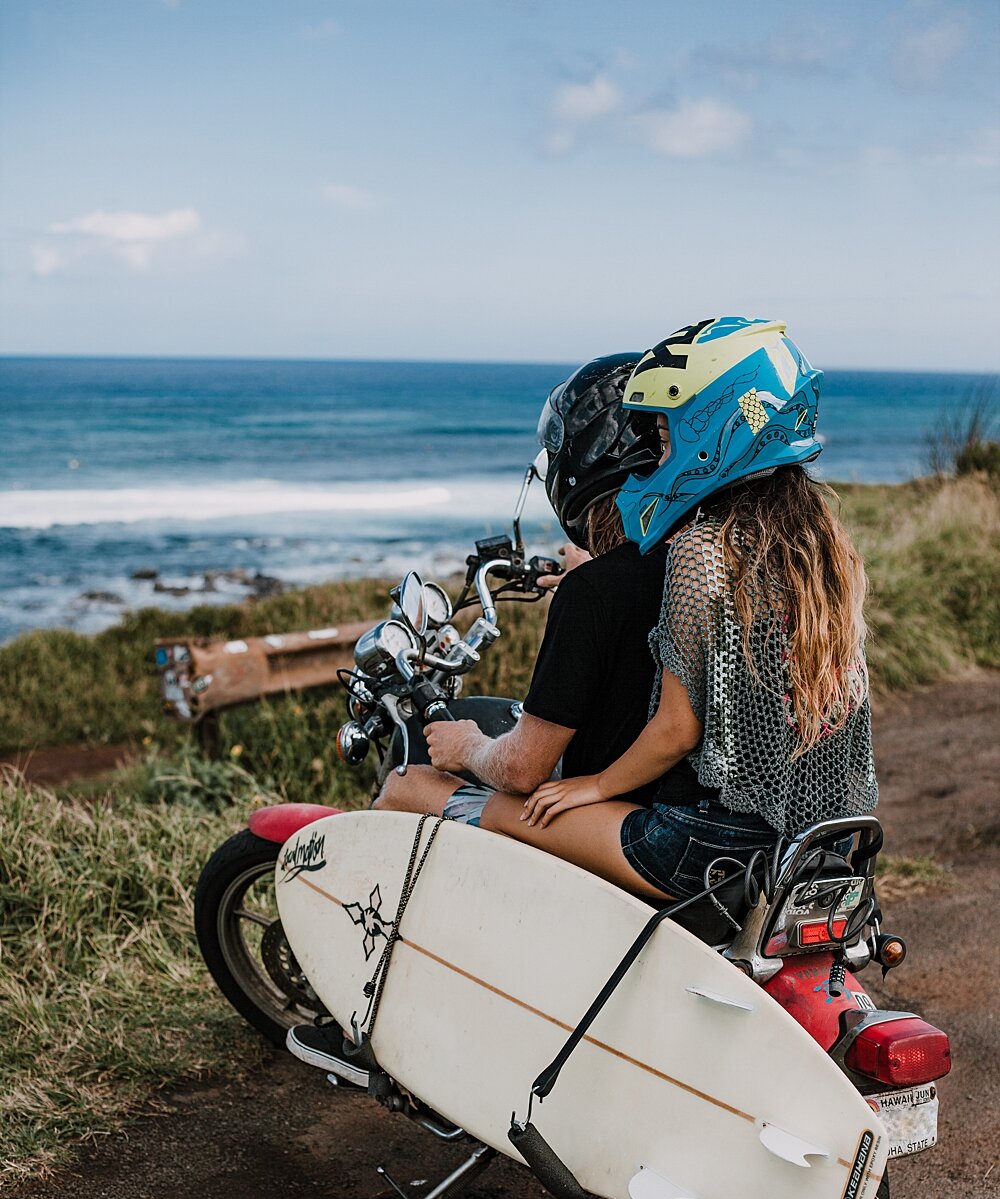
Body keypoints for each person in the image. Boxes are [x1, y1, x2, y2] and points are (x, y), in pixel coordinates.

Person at [285, 351, 713, 1080]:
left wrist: (464, 746)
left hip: (642, 827)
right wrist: (592, 572)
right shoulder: (704, 562)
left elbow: (523, 766)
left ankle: (370, 1027)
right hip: (715, 819)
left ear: (579, 469)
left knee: (408, 792)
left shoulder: (594, 597)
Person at [477, 316, 878, 900]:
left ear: (712, 429)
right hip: (821, 840)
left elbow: (677, 728)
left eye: (666, 436)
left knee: (501, 814)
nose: (659, 453)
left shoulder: (702, 547)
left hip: (705, 844)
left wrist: (594, 787)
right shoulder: (818, 542)